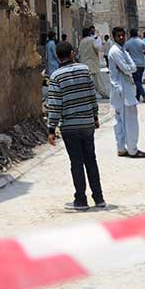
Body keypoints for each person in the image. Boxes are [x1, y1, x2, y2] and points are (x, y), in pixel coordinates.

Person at [47, 41, 106, 211]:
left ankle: (81, 199)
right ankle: (99, 197)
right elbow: (91, 95)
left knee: (76, 162)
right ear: (72, 53)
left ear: (58, 57)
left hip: (69, 127)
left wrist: (52, 129)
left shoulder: (56, 76)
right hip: (87, 123)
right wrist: (94, 117)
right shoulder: (84, 70)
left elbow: (54, 104)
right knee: (91, 160)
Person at [108, 28, 145, 159]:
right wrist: (128, 68)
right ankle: (132, 149)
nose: (121, 38)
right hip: (122, 90)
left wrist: (128, 68)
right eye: (118, 36)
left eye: (122, 35)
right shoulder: (115, 51)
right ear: (114, 37)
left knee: (120, 120)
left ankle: (121, 148)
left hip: (122, 89)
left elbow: (133, 67)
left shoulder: (123, 50)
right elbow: (127, 68)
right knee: (128, 120)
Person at [78, 27, 106, 99]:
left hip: (84, 63)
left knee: (86, 79)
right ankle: (102, 93)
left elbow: (79, 53)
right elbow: (97, 48)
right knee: (97, 80)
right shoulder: (92, 40)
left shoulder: (81, 41)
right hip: (93, 62)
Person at [124, 28, 145, 103]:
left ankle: (144, 95)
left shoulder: (128, 43)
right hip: (142, 63)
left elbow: (124, 52)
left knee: (136, 81)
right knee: (139, 81)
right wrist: (142, 53)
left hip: (134, 64)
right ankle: (137, 97)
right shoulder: (141, 42)